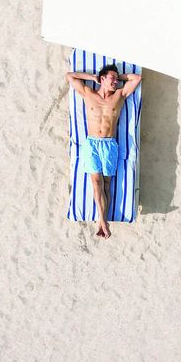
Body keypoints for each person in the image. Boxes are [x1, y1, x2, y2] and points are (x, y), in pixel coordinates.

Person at [66, 64, 142, 239]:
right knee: (96, 183)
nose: (115, 81)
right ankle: (103, 222)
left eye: (116, 78)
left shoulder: (119, 95)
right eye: (111, 78)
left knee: (106, 184)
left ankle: (102, 222)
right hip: (91, 144)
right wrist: (93, 77)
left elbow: (136, 79)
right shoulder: (88, 94)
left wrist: (118, 78)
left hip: (109, 144)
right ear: (102, 79)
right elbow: (70, 76)